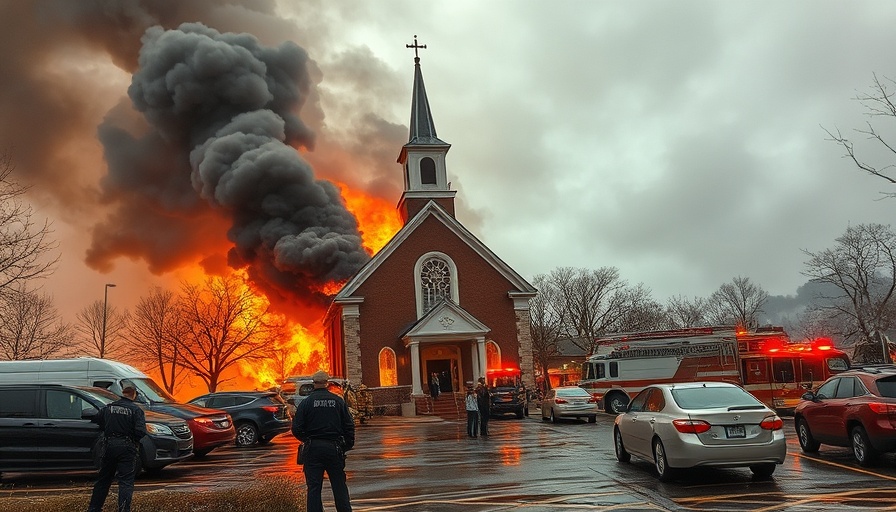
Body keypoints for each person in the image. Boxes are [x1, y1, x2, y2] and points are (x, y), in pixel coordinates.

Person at [292, 370, 355, 512]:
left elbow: (296, 428)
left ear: (314, 384)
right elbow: (349, 426)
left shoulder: (306, 403)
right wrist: (345, 446)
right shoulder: (338, 401)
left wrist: (307, 439)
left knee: (314, 488)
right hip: (334, 448)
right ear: (327, 383)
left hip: (313, 449)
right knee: (339, 486)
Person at [87, 380, 147, 512]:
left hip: (109, 446)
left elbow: (97, 418)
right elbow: (141, 431)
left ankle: (94, 508)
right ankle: (124, 510)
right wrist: (133, 441)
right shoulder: (136, 410)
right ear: (134, 395)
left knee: (103, 480)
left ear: (122, 394)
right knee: (125, 482)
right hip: (127, 447)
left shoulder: (109, 407)